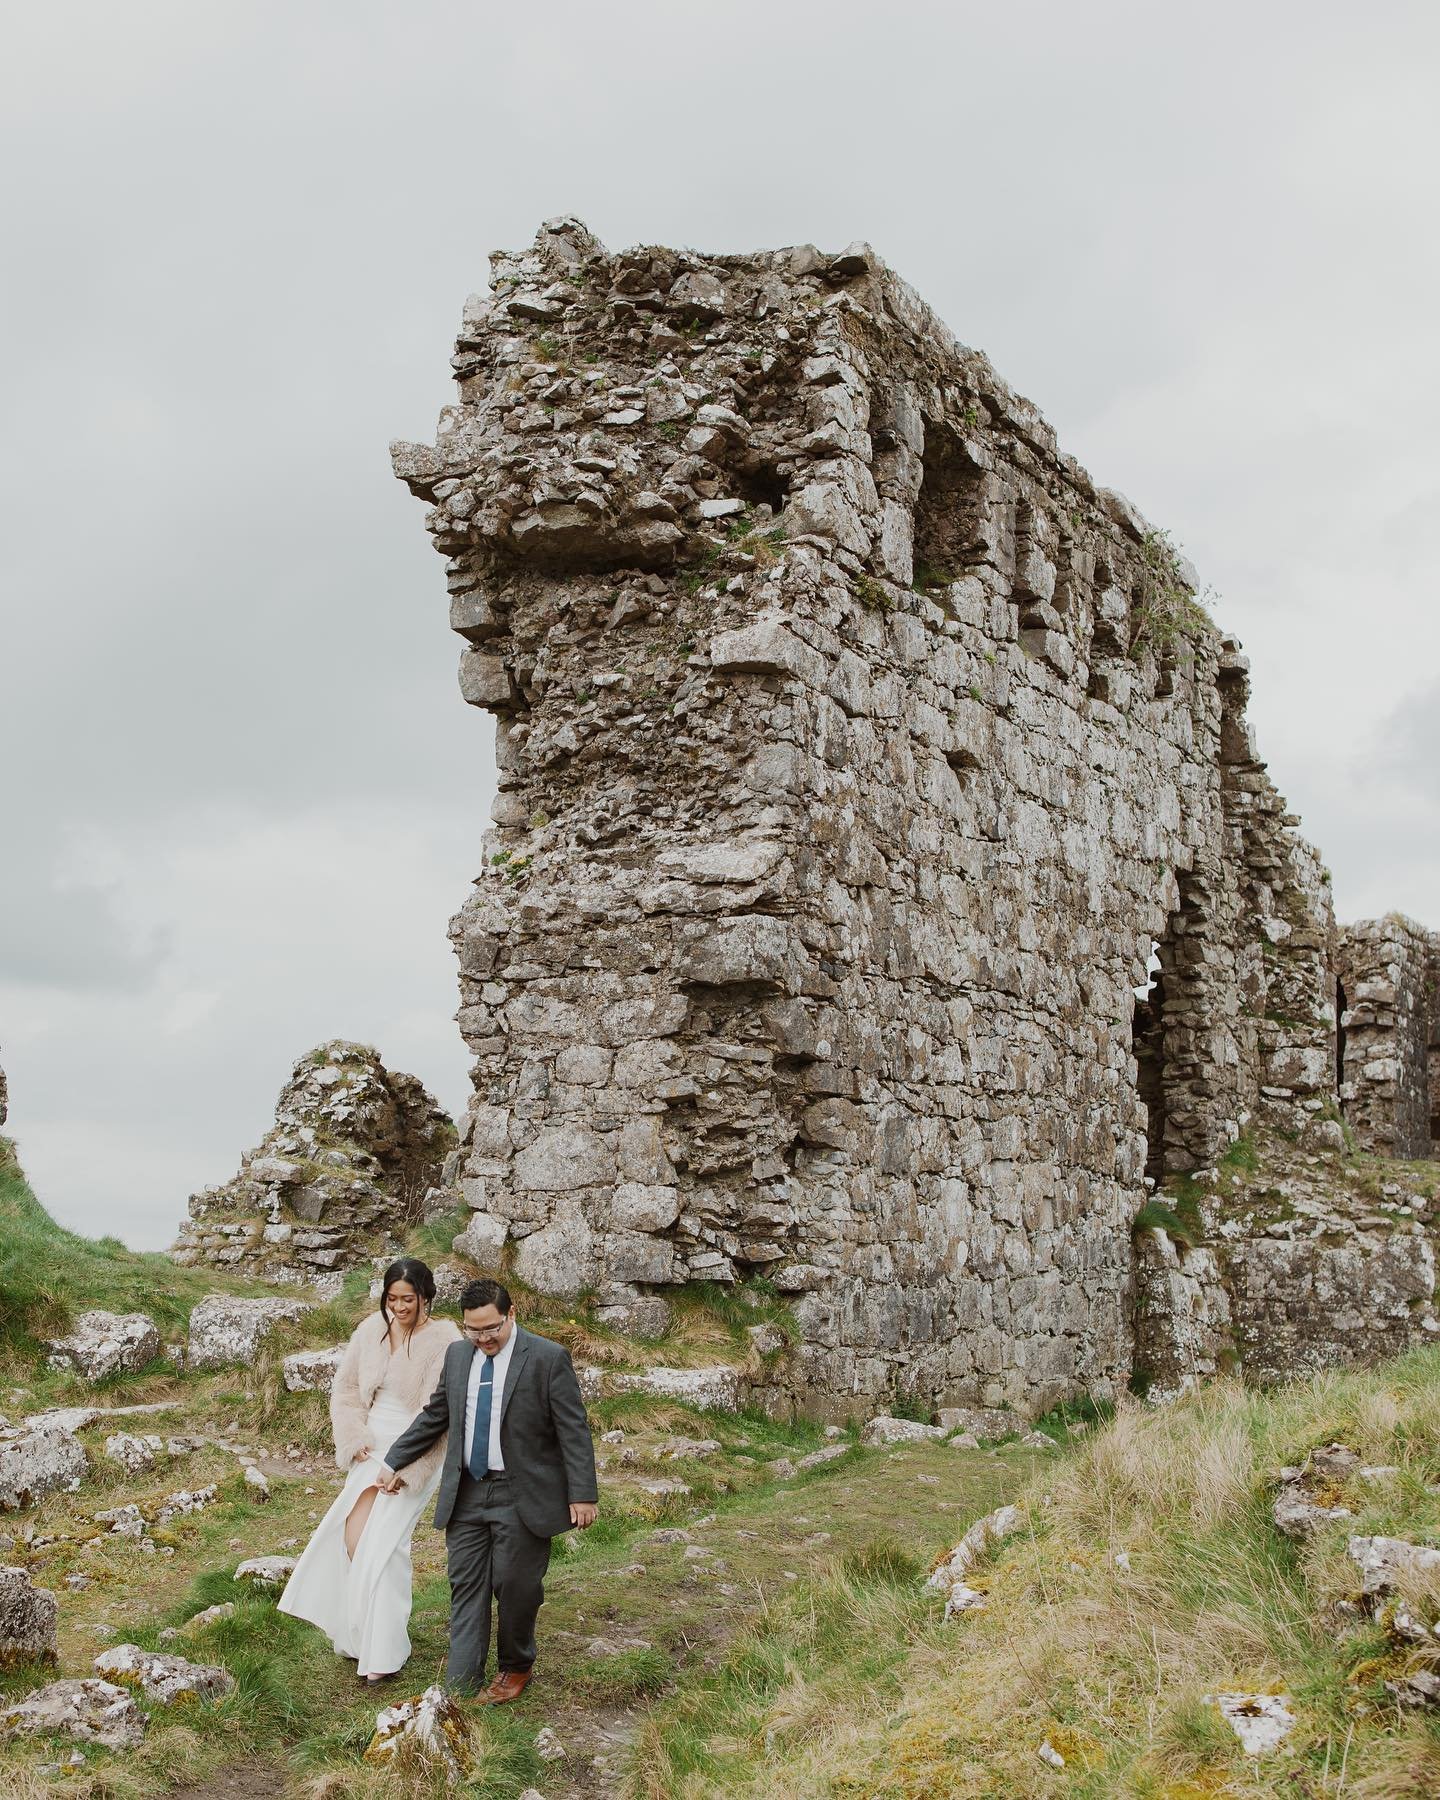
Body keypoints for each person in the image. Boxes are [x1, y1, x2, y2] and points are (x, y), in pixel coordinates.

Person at [375, 1277, 599, 1703]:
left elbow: (574, 1430)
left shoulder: (548, 1358)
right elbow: (435, 1415)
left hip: (522, 1493)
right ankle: (461, 1681)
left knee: (516, 1585)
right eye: (473, 1330)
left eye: (491, 1328)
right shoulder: (459, 1356)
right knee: (466, 1583)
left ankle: (516, 1666)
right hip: (467, 1491)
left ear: (511, 1315)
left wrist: (582, 1493)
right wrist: (394, 1459)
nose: (483, 1338)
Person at [278, 1257, 459, 1683]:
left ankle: (386, 1650)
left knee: (387, 1544)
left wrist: (407, 1466)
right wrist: (353, 1438)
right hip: (370, 1445)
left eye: (408, 1299)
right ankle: (358, 1635)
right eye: (392, 1298)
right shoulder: (370, 1330)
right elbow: (345, 1390)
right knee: (353, 1537)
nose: (399, 1307)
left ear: (426, 1297)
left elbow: (440, 1414)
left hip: (414, 1450)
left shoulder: (445, 1340)